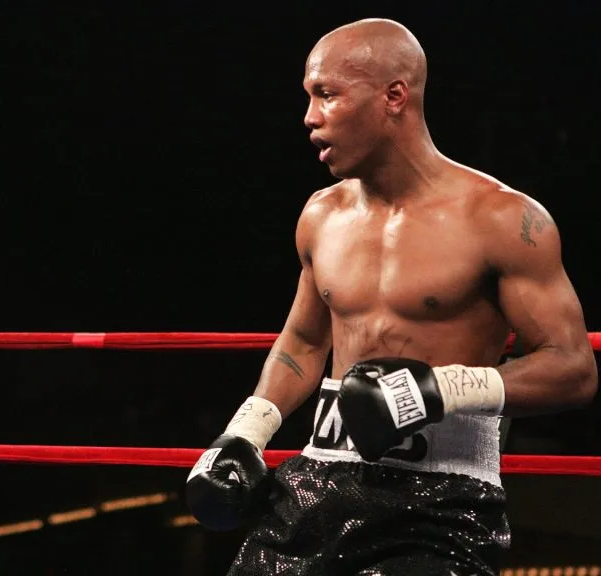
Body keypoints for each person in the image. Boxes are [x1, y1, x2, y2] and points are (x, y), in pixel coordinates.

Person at [186, 18, 597, 576]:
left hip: (442, 501)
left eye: (327, 95)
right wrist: (245, 434)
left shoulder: (501, 219)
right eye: (309, 97)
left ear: (393, 97)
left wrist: (437, 389)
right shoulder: (321, 215)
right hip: (318, 481)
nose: (310, 118)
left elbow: (573, 368)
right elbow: (305, 343)